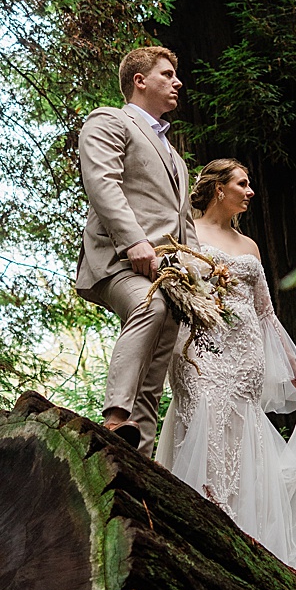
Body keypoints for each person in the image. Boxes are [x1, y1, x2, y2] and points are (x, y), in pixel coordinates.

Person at [154, 159, 296, 587]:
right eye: (243, 183)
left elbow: (266, 315)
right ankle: (202, 519)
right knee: (200, 412)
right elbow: (172, 286)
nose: (250, 191)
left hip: (245, 356)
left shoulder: (251, 246)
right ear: (219, 189)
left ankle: (241, 536)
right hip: (199, 348)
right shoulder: (186, 232)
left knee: (240, 432)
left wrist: (295, 369)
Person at [74, 46, 191, 450]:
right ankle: (114, 419)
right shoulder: (109, 120)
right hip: (120, 262)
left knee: (158, 364)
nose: (177, 82)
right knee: (149, 306)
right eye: (167, 74)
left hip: (171, 274)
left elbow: (184, 223)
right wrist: (135, 241)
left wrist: (196, 276)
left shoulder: (176, 158)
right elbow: (101, 182)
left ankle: (137, 456)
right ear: (139, 81)